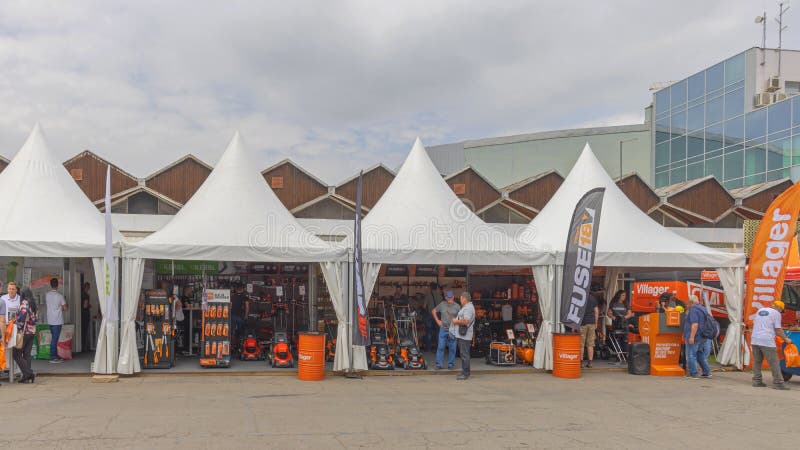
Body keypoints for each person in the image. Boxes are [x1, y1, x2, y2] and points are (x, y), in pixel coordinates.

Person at [751, 300, 792, 390]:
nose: (781, 312)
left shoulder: (760, 311)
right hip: (767, 340)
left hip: (755, 339)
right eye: (781, 310)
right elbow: (778, 329)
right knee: (774, 362)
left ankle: (757, 381)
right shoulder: (776, 313)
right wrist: (786, 339)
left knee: (757, 361)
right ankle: (778, 383)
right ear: (779, 308)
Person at [13, 289, 38, 383]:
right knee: (27, 354)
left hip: (25, 332)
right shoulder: (33, 303)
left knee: (16, 354)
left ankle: (29, 373)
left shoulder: (24, 303)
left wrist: (16, 323)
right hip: (32, 332)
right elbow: (35, 319)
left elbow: (22, 318)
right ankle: (26, 376)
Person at [432, 290, 461, 370]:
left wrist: (458, 323)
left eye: (451, 297)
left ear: (453, 297)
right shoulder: (442, 304)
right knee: (441, 347)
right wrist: (438, 321)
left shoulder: (457, 306)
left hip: (453, 330)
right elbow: (433, 311)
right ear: (445, 297)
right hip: (443, 329)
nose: (450, 298)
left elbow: (461, 317)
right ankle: (439, 365)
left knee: (452, 347)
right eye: (448, 297)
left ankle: (451, 364)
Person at [684, 295, 710, 379]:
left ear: (691, 302)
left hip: (695, 336)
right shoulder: (703, 309)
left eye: (688, 302)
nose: (687, 303)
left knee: (691, 355)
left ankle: (694, 373)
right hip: (703, 336)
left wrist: (691, 337)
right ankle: (706, 372)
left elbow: (695, 324)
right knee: (700, 354)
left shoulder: (694, 310)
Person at [450, 292, 475, 380]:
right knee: (463, 353)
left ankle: (466, 373)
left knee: (465, 354)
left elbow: (465, 321)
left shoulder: (468, 308)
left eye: (461, 298)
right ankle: (464, 371)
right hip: (462, 335)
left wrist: (455, 321)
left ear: (464, 299)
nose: (460, 300)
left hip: (465, 335)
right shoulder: (466, 307)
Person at [45, 278, 67, 363]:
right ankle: (53, 357)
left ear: (50, 285)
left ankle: (55, 355)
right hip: (57, 320)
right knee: (55, 339)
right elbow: (65, 308)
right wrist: (60, 307)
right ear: (57, 285)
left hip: (50, 320)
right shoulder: (59, 296)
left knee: (53, 338)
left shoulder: (47, 295)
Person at [579, 292, 599, 368]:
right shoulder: (593, 298)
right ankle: (590, 362)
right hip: (591, 323)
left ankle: (581, 362)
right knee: (590, 344)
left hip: (582, 323)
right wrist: (596, 323)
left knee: (581, 344)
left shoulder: (580, 297)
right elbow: (596, 312)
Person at [421, 282, 441, 351]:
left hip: (430, 315)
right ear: (436, 288)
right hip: (438, 315)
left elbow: (424, 306)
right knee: (437, 332)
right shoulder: (440, 296)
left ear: (430, 288)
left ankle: (428, 348)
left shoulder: (428, 295)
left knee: (428, 332)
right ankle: (437, 348)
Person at [230, 284, 249, 352]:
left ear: (236, 290)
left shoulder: (232, 297)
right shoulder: (245, 297)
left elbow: (230, 307)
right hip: (240, 317)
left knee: (232, 332)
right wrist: (246, 317)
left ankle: (232, 347)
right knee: (241, 332)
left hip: (232, 316)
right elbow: (247, 307)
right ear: (242, 290)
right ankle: (240, 347)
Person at [81, 282, 91, 351]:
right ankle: (84, 347)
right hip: (85, 315)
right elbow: (85, 305)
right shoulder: (86, 295)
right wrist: (89, 306)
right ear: (86, 287)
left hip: (80, 314)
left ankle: (81, 346)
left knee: (82, 330)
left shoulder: (80, 294)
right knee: (85, 331)